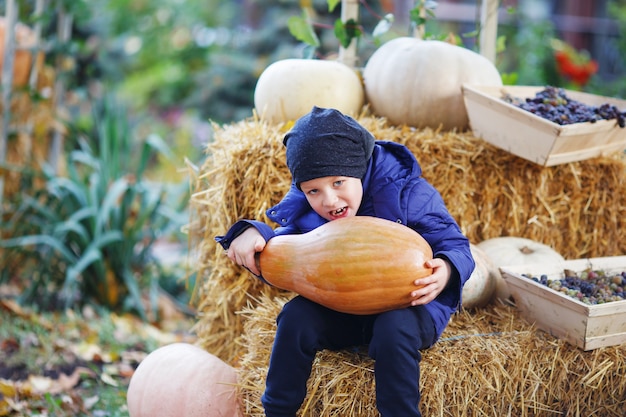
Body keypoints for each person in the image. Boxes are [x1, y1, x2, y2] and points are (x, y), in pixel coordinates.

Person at [216, 106, 475, 417]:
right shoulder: (307, 211)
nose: (329, 200)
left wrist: (446, 269)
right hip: (342, 309)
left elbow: (455, 244)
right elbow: (281, 257)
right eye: (314, 190)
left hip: (407, 306)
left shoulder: (407, 191)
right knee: (295, 317)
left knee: (394, 330)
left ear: (359, 168)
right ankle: (276, 410)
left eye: (339, 183)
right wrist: (248, 234)